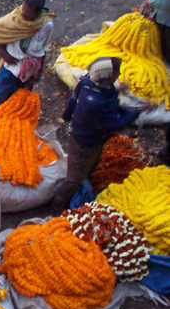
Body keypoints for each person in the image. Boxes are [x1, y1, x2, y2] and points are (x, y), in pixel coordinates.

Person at [54, 57, 151, 210]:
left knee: (92, 165)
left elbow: (73, 101)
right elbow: (115, 123)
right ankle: (58, 204)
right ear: (106, 75)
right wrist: (138, 111)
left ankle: (81, 187)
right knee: (74, 178)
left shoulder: (88, 83)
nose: (118, 75)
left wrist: (66, 116)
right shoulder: (97, 103)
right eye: (116, 73)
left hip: (89, 138)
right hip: (84, 143)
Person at [0, 0, 53, 115]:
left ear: (37, 13)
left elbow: (44, 49)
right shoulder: (14, 19)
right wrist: (3, 54)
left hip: (29, 72)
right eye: (23, 8)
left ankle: (10, 125)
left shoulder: (46, 26)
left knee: (20, 101)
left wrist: (39, 71)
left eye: (28, 11)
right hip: (10, 70)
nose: (23, 12)